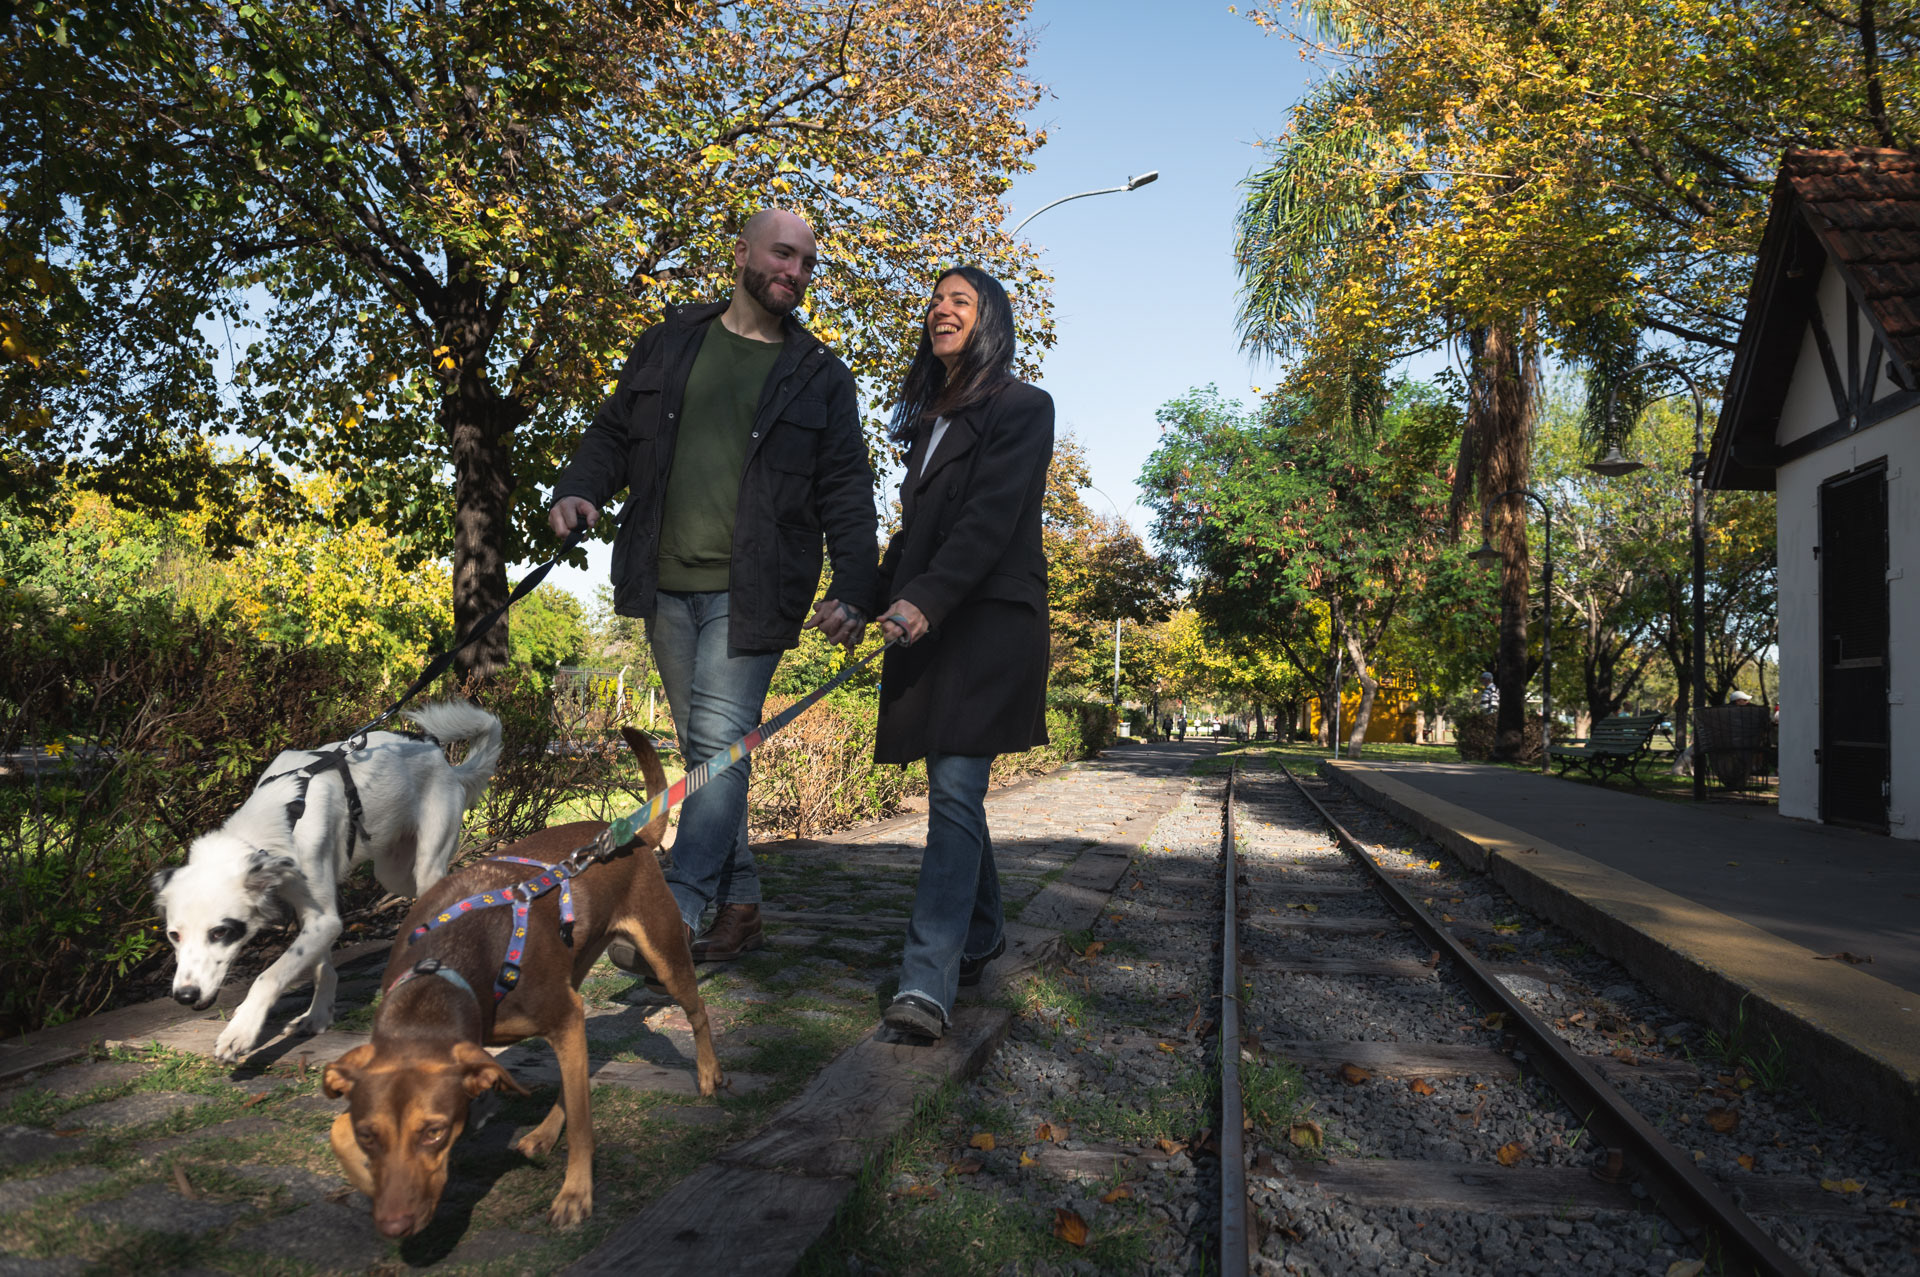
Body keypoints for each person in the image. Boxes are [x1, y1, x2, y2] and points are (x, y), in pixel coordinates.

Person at [549, 209, 877, 973]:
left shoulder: (820, 375)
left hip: (757, 590)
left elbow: (847, 489)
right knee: (708, 755)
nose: (795, 272)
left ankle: (678, 907)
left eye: (807, 262)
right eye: (782, 254)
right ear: (742, 255)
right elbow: (611, 430)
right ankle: (743, 903)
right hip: (663, 581)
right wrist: (578, 488)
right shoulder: (669, 341)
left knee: (720, 746)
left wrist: (854, 587)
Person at [870, 266, 1053, 1042]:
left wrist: (926, 598)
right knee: (955, 791)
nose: (941, 309)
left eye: (960, 300)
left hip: (988, 626)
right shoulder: (929, 422)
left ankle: (926, 980)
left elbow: (988, 518)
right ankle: (981, 932)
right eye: (936, 300)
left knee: (952, 790)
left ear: (990, 321)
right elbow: (914, 538)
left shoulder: (1025, 407)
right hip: (934, 621)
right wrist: (864, 598)